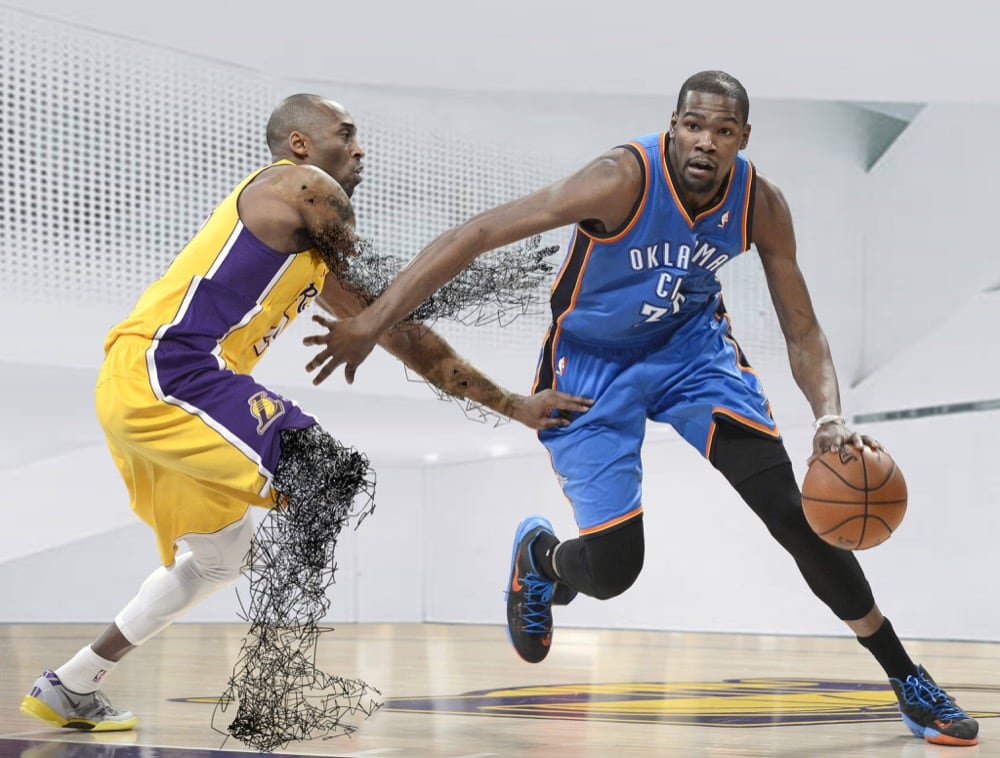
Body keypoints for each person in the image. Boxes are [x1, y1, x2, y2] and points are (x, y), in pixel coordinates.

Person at [301, 72, 980, 747]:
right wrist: (372, 322)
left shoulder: (760, 204)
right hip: (591, 364)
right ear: (674, 125)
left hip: (692, 353)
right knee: (614, 571)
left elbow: (801, 329)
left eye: (722, 130)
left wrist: (829, 416)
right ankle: (541, 559)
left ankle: (907, 679)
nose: (705, 141)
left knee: (794, 515)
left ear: (743, 138)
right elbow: (476, 234)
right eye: (694, 125)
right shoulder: (619, 179)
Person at [19, 94, 591, 734]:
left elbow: (406, 335)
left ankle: (73, 682)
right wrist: (457, 260)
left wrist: (514, 405)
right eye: (346, 134)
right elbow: (387, 299)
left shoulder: (315, 258)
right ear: (299, 143)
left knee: (219, 562)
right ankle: (277, 683)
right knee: (326, 472)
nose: (359, 149)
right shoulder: (298, 185)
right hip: (169, 369)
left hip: (152, 387)